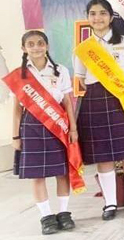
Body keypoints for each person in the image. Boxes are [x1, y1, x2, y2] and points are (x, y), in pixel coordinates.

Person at [73, 0, 124, 220]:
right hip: (96, 103)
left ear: (110, 17)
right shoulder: (83, 49)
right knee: (104, 156)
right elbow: (79, 80)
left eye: (102, 13)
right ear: (87, 18)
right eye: (92, 14)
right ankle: (110, 203)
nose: (97, 18)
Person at [5, 31, 82, 234]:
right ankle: (46, 216)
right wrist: (15, 136)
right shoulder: (19, 75)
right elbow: (16, 109)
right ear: (24, 49)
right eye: (30, 44)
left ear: (47, 46)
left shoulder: (60, 71)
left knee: (61, 172)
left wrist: (73, 129)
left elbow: (67, 102)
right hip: (30, 127)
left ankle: (64, 213)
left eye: (40, 43)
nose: (36, 47)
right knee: (37, 175)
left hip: (58, 125)